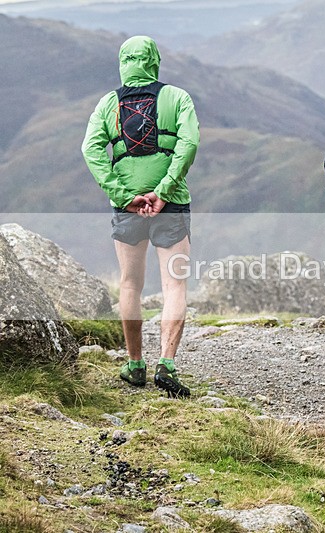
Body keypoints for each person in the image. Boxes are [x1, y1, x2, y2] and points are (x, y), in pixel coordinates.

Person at [82, 36, 199, 398]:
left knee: (130, 284)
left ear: (123, 62)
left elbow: (91, 149)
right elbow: (189, 142)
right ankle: (166, 363)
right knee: (173, 285)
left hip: (127, 207)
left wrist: (123, 195)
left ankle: (135, 365)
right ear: (155, 61)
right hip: (171, 204)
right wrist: (163, 191)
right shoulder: (177, 98)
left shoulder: (107, 104)